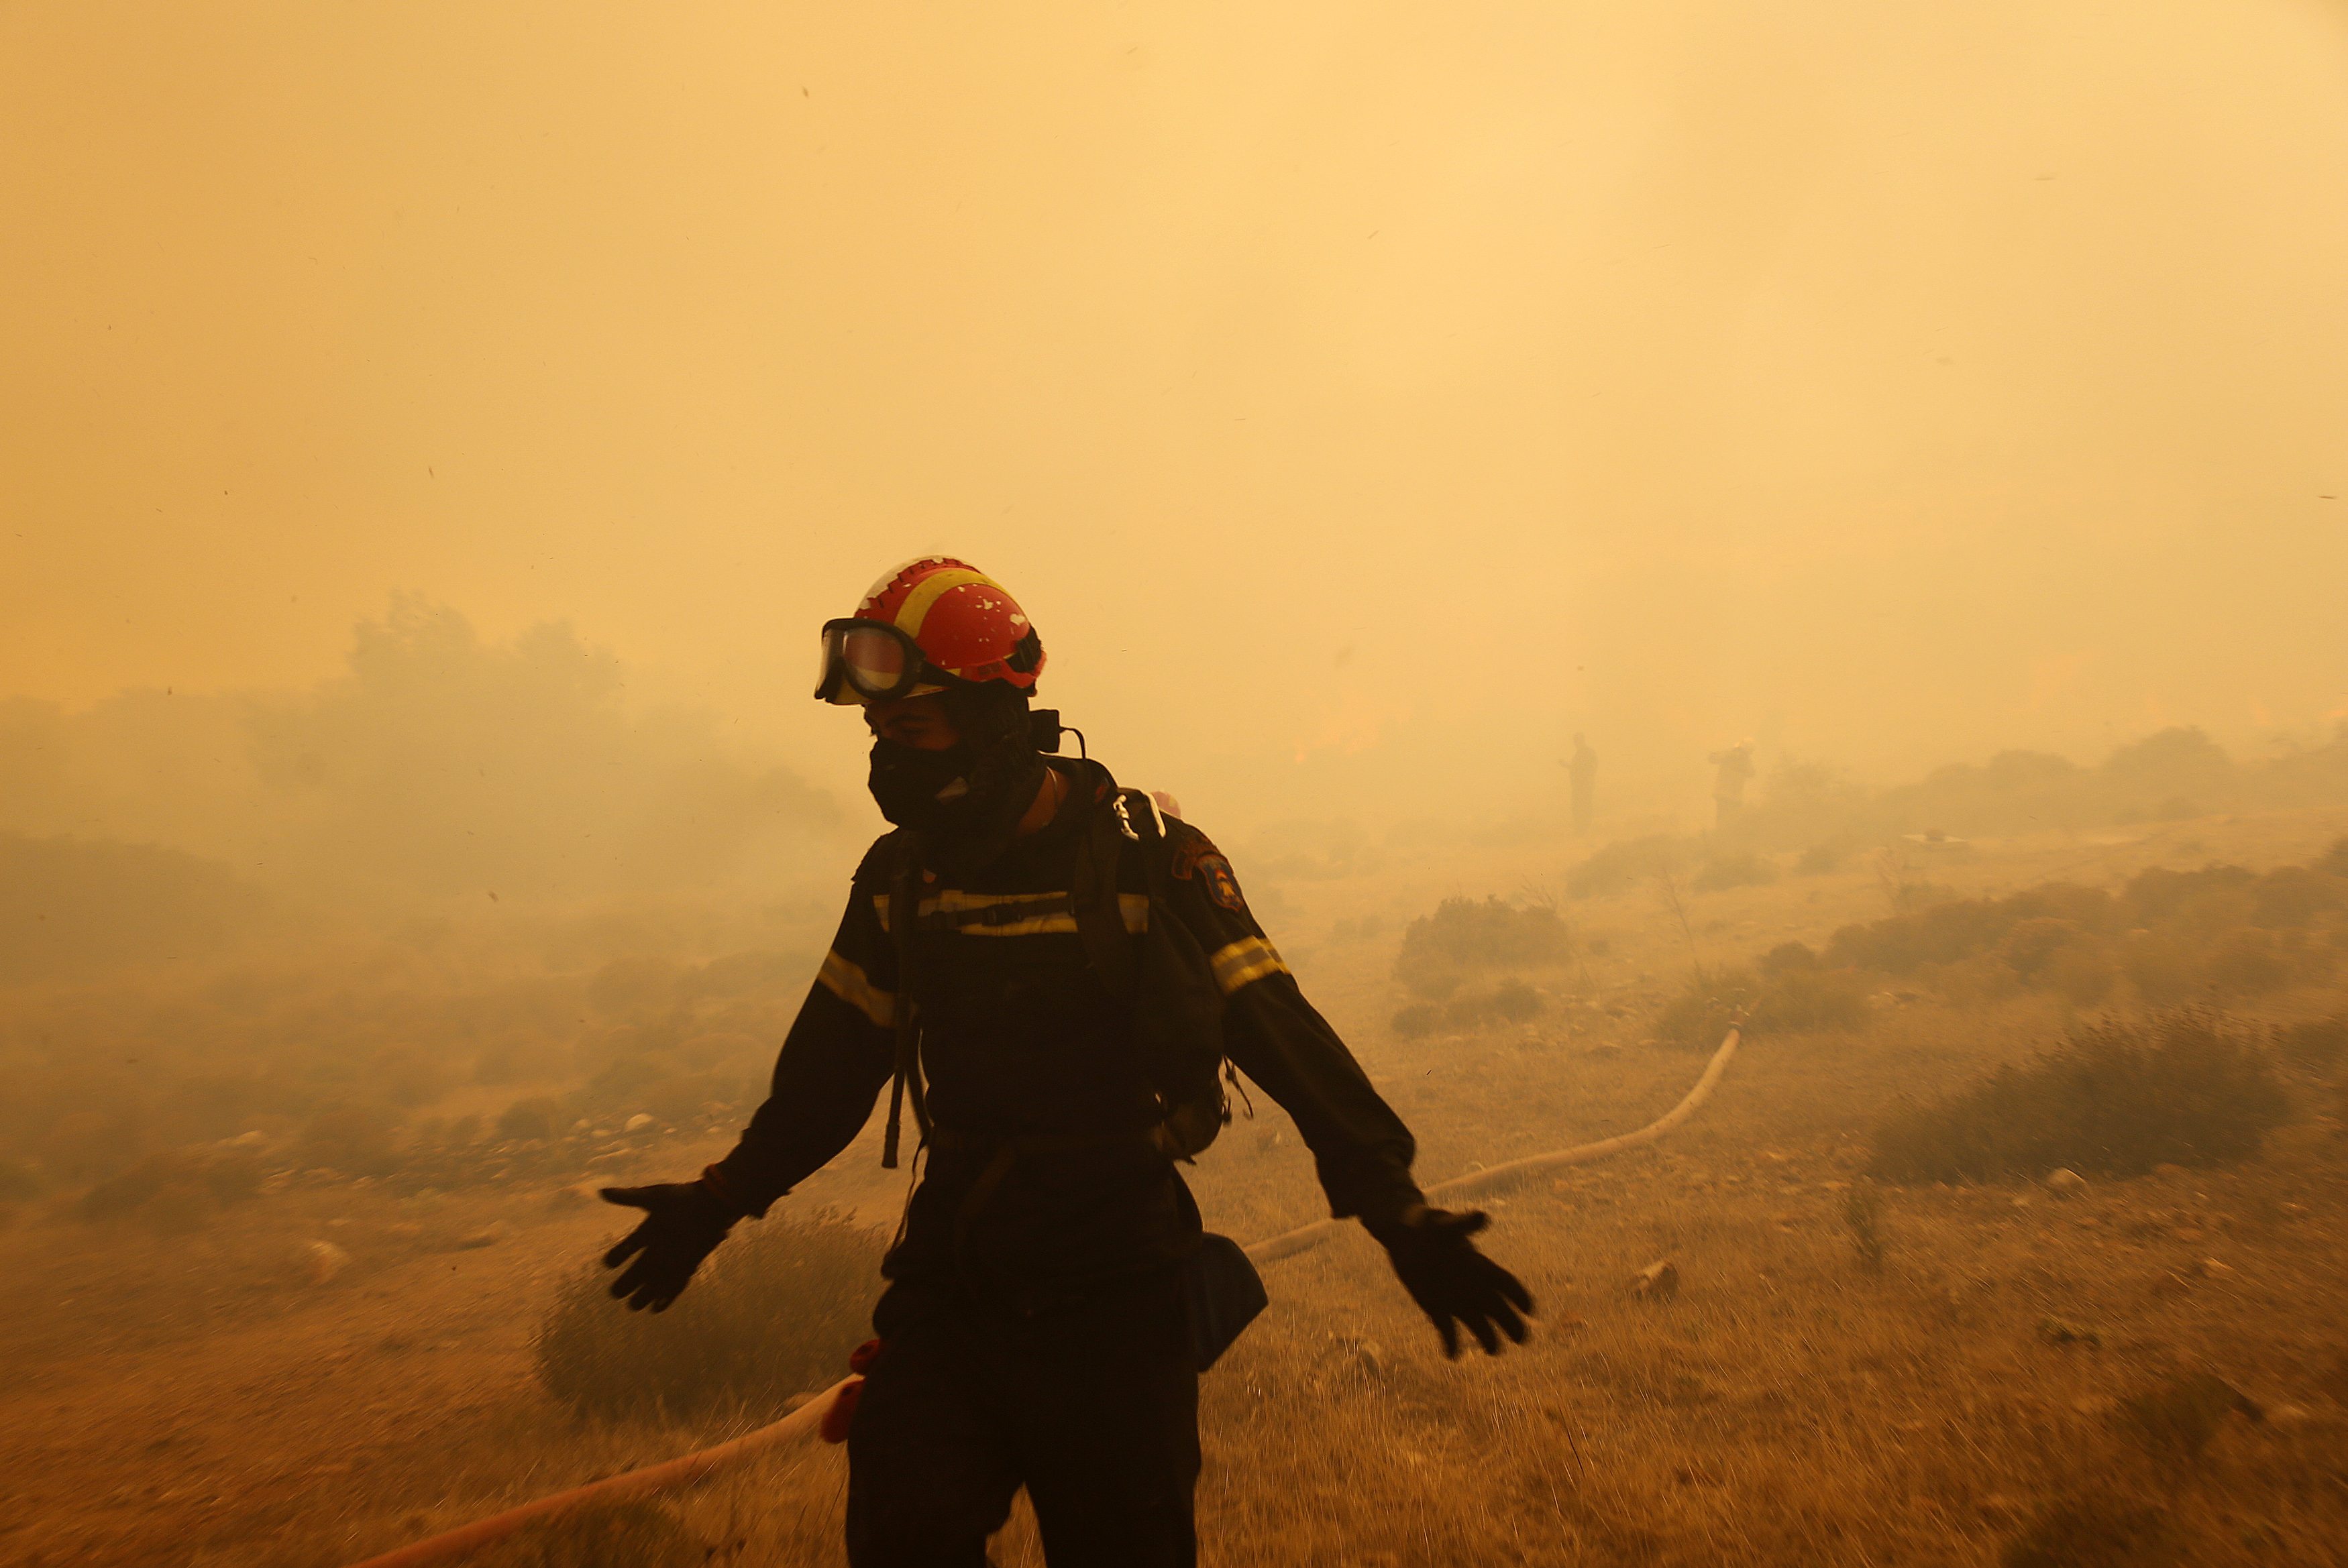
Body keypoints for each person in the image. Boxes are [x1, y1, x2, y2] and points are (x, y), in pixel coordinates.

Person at [595, 557, 1532, 1568]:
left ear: (996, 719)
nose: (886, 766)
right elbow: (828, 1073)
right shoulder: (900, 880)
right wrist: (721, 1198)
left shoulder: (1148, 858)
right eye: (877, 737)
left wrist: (1396, 1209)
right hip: (954, 1279)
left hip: (1117, 1292)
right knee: (902, 1535)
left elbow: (1282, 1033)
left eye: (911, 732)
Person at [1709, 738, 1755, 828]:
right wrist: (1730, 755)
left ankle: (1725, 836)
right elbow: (1713, 759)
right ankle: (1720, 836)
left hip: (1735, 796)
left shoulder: (1746, 760)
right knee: (1722, 818)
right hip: (1724, 793)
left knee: (1733, 819)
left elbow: (1752, 773)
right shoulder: (1729, 754)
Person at [1567, 732, 1597, 836]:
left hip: (1584, 784)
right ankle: (1581, 828)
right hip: (1579, 784)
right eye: (1575, 741)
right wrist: (1568, 766)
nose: (1576, 743)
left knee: (1583, 806)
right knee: (1578, 806)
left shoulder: (1586, 753)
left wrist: (1586, 778)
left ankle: (1583, 829)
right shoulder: (1583, 753)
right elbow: (1577, 768)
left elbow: (1589, 768)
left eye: (1577, 741)